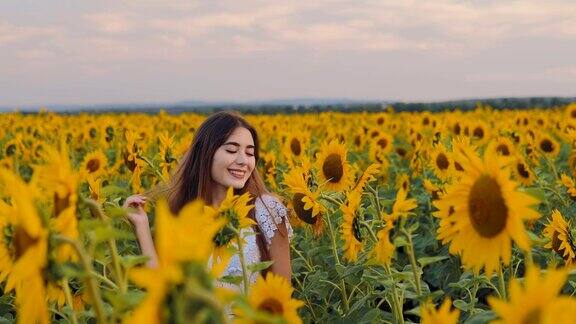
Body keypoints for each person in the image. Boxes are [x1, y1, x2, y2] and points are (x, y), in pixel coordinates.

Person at [123, 111, 293, 288]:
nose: (243, 161)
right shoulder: (183, 214)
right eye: (232, 150)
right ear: (206, 153)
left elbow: (282, 293)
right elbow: (163, 290)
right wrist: (141, 226)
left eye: (250, 154)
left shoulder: (267, 210)